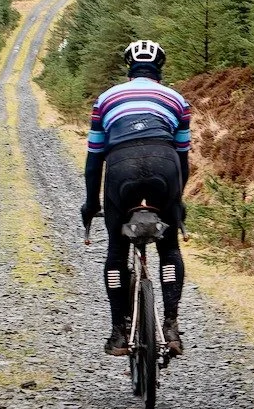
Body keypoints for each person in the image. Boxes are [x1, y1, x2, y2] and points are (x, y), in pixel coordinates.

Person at [80, 39, 191, 356]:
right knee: (169, 246)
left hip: (121, 169)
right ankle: (170, 326)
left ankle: (118, 333)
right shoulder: (177, 100)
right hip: (164, 165)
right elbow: (183, 159)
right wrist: (176, 202)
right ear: (160, 69)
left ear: (129, 68)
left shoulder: (105, 99)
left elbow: (94, 161)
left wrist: (91, 205)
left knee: (116, 251)